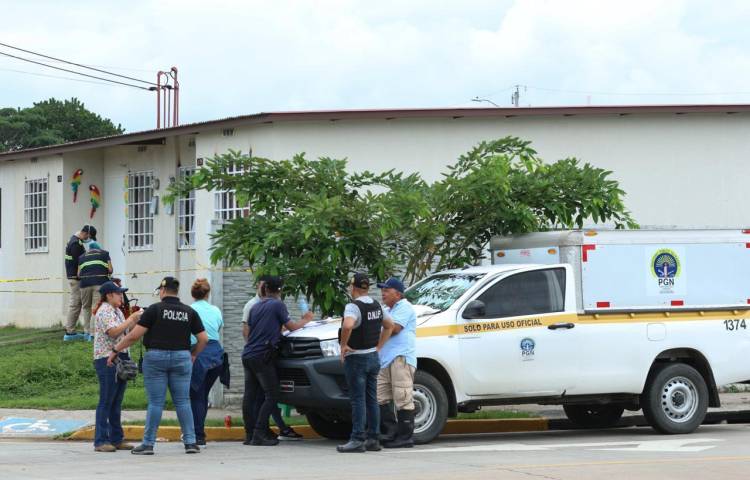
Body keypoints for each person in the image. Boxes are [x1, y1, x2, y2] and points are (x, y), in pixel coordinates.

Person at [107, 276, 208, 455]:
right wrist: (193, 355)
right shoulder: (188, 311)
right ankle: (191, 442)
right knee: (183, 401)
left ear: (162, 291)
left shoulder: (154, 310)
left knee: (156, 403)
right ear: (177, 292)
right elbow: (203, 339)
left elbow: (133, 336)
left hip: (156, 358)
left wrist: (115, 350)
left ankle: (148, 444)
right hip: (181, 358)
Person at [241, 276, 313, 446]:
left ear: (265, 288)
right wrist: (307, 319)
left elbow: (251, 331)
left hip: (249, 354)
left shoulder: (255, 307)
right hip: (263, 356)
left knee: (249, 396)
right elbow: (292, 327)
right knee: (272, 395)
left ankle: (249, 434)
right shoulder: (277, 305)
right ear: (280, 290)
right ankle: (259, 433)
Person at [337, 273, 394, 453]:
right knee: (372, 399)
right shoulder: (377, 305)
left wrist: (344, 345)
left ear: (353, 287)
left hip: (357, 359)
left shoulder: (353, 307)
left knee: (358, 400)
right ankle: (373, 439)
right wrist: (378, 346)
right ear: (367, 287)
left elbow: (347, 326)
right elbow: (389, 325)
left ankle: (357, 439)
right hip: (372, 357)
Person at [92, 281, 142, 452]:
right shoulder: (104, 311)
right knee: (107, 400)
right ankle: (100, 441)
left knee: (116, 401)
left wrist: (136, 320)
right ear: (109, 295)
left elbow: (126, 333)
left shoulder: (118, 311)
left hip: (120, 356)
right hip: (107, 359)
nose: (122, 296)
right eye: (118, 293)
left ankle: (116, 438)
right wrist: (130, 319)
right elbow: (113, 332)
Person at [376, 277, 417, 448]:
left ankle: (405, 437)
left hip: (400, 357)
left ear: (398, 294)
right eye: (382, 289)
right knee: (380, 396)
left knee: (402, 396)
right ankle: (390, 432)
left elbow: (394, 329)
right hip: (385, 359)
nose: (383, 293)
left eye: (387, 290)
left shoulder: (404, 307)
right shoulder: (387, 309)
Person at [188, 278, 225, 446]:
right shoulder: (215, 310)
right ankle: (198, 432)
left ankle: (197, 434)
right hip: (216, 356)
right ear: (208, 294)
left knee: (196, 395)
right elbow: (217, 328)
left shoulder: (189, 310)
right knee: (202, 395)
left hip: (197, 353)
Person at [64, 225, 96, 340]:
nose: (89, 239)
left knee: (76, 304)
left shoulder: (73, 240)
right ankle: (70, 331)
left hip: (73, 277)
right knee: (75, 304)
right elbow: (80, 263)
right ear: (86, 233)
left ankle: (70, 330)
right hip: (75, 278)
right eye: (90, 237)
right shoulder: (76, 244)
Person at [78, 241, 113, 341]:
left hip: (84, 285)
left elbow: (78, 273)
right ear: (99, 248)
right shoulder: (104, 254)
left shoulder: (81, 257)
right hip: (99, 283)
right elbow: (110, 270)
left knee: (86, 307)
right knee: (95, 307)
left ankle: (86, 332)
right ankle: (93, 334)